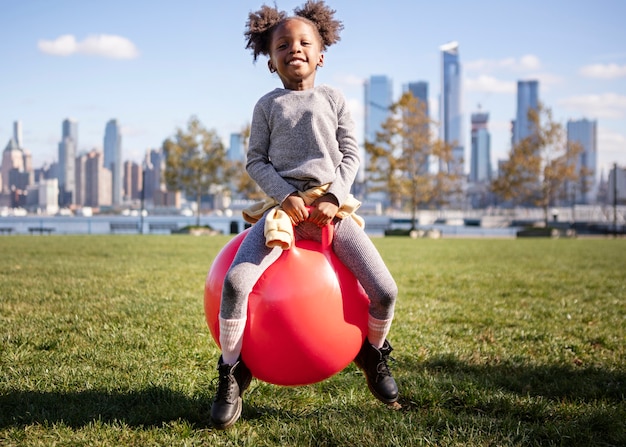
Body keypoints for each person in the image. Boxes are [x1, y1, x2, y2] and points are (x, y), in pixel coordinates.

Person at [210, 0, 399, 429]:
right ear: (271, 60)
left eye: (303, 42)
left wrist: (334, 197)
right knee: (236, 283)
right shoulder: (266, 106)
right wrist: (284, 196)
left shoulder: (334, 98)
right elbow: (255, 161)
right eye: (282, 45)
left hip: (332, 210)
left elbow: (350, 154)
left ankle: (373, 354)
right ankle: (232, 372)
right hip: (283, 212)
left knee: (385, 291)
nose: (293, 48)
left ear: (320, 54)